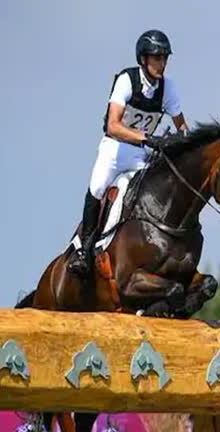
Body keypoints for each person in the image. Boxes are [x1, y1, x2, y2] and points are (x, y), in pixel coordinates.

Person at [67, 29, 189, 276]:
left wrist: (183, 144)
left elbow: (182, 126)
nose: (162, 63)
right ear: (143, 59)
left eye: (164, 58)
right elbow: (113, 125)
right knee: (98, 188)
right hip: (114, 149)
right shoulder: (127, 80)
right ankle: (84, 250)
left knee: (152, 193)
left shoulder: (168, 88)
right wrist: (146, 137)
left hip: (141, 155)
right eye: (157, 57)